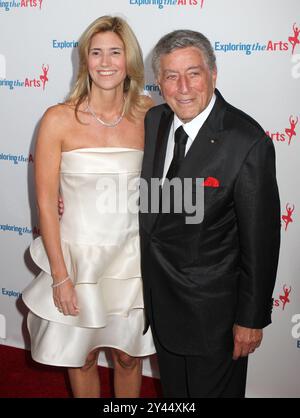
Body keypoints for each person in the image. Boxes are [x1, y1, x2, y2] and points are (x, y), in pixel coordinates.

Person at [139, 30, 281, 398]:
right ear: (158, 82)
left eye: (194, 73)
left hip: (213, 320)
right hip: (162, 308)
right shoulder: (155, 122)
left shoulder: (246, 141)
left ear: (213, 74)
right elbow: (157, 206)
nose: (182, 87)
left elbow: (260, 242)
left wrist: (250, 320)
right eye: (171, 76)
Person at [22, 15, 155, 398]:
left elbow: (170, 182)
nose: (106, 62)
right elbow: (45, 203)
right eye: (96, 53)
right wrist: (61, 276)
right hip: (77, 258)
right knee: (82, 356)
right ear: (85, 60)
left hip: (133, 260)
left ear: (129, 60)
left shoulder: (150, 115)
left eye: (115, 52)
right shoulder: (58, 119)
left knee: (130, 358)